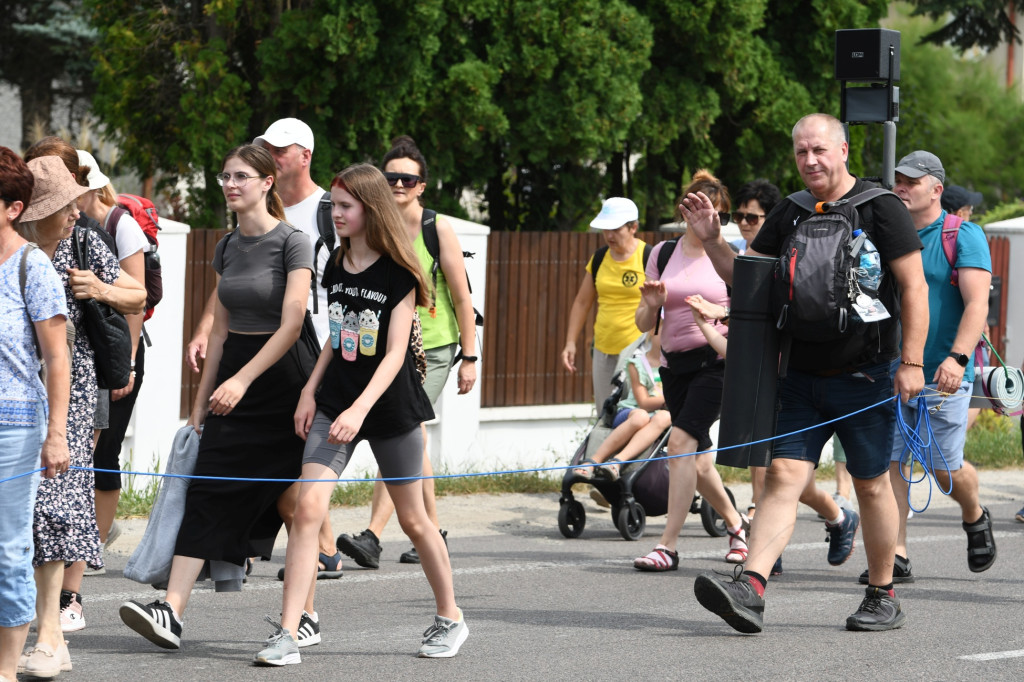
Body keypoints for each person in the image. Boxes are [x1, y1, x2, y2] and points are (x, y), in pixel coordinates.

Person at [686, 113, 928, 633]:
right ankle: (750, 587)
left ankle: (883, 593)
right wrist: (711, 241)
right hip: (800, 376)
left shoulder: (882, 209)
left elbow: (913, 287)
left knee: (871, 486)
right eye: (801, 153)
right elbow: (747, 282)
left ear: (843, 150)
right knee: (782, 478)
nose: (810, 161)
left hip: (865, 377)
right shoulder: (790, 212)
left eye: (819, 150)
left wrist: (912, 361)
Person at [257, 163, 465, 666]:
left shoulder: (401, 272)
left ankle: (451, 617)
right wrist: (311, 391)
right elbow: (337, 334)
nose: (336, 214)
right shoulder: (335, 263)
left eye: (345, 206)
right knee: (308, 510)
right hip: (335, 404)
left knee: (416, 521)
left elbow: (394, 354)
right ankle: (290, 631)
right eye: (334, 206)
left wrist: (359, 409)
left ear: (370, 210)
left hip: (388, 407)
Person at [119, 144, 315, 651]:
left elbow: (293, 324)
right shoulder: (228, 246)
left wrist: (243, 380)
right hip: (234, 376)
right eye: (225, 176)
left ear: (268, 182)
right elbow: (222, 331)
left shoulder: (293, 242)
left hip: (283, 381)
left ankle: (305, 615)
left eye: (242, 176)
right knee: (206, 487)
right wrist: (201, 400)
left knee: (293, 504)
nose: (230, 185)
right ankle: (172, 612)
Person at [186, 118, 344, 590]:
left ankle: (315, 575)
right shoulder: (235, 237)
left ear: (303, 157)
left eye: (280, 149)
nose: (271, 155)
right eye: (266, 148)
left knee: (296, 493)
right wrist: (203, 334)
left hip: (309, 355)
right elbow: (226, 300)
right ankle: (313, 555)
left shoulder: (326, 213)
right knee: (272, 487)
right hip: (251, 356)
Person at [16, 155, 144, 675]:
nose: (75, 212)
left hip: (71, 387)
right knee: (21, 514)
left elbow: (137, 295)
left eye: (76, 203)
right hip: (16, 388)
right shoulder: (13, 252)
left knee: (55, 503)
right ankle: (34, 631)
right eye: (64, 205)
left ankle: (52, 630)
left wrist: (99, 289)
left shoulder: (86, 241)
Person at [336, 136, 477, 568]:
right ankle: (430, 532)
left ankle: (375, 534)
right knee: (412, 439)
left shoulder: (436, 229)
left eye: (407, 179)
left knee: (400, 429)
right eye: (390, 177)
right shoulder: (373, 229)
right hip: (383, 348)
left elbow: (462, 294)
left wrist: (469, 357)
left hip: (431, 348)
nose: (398, 184)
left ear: (421, 186)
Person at [854, 150, 993, 584]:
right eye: (898, 179)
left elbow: (977, 305)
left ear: (936, 189)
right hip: (891, 370)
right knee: (890, 461)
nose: (902, 186)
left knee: (941, 467)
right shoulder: (883, 235)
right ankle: (896, 554)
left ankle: (974, 513)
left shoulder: (962, 235)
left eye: (911, 181)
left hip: (943, 372)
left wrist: (958, 358)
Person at [689, 294, 860, 578]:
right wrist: (703, 324)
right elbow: (737, 353)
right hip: (766, 406)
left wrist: (722, 312)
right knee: (767, 475)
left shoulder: (795, 319)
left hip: (800, 402)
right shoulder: (758, 328)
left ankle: (840, 519)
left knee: (799, 487)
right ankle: (768, 549)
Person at [631, 170, 749, 571]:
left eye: (714, 213)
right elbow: (645, 323)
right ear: (685, 210)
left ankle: (667, 545)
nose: (705, 219)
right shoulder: (662, 253)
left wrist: (719, 313)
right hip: (673, 366)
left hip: (715, 363)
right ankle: (737, 526)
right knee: (697, 462)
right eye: (698, 210)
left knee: (679, 444)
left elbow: (748, 314)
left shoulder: (730, 255)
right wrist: (650, 303)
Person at [0, 147, 71, 682]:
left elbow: (56, 358)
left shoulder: (32, 266)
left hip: (16, 427)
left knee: (8, 548)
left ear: (13, 207)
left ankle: (4, 669)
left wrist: (55, 436)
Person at [76, 149, 150, 574]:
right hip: (105, 352)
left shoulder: (119, 225)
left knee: (104, 451)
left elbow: (135, 302)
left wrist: (130, 364)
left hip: (119, 352)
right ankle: (93, 534)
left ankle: (96, 542)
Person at [561, 197, 647, 414]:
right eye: (605, 229)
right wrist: (570, 342)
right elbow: (582, 302)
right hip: (603, 349)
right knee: (605, 414)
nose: (609, 236)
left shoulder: (649, 257)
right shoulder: (599, 258)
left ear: (633, 227)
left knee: (633, 413)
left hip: (637, 350)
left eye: (616, 229)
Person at [573, 330, 671, 481]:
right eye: (665, 332)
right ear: (652, 332)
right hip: (631, 412)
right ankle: (593, 461)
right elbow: (643, 403)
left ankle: (617, 462)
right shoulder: (637, 364)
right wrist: (670, 398)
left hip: (657, 417)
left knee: (666, 417)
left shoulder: (675, 367)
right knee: (641, 416)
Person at [729, 179, 781, 255]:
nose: (743, 223)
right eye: (739, 216)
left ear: (770, 218)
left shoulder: (783, 255)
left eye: (751, 218)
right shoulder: (730, 249)